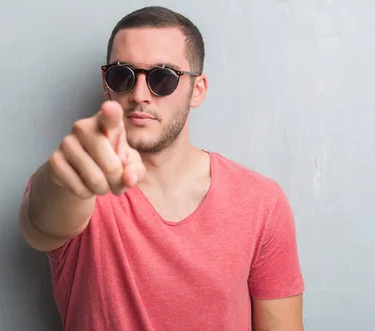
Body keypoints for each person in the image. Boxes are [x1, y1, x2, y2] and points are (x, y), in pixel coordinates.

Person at [19, 5, 305, 331]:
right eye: (122, 75)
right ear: (106, 83)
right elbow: (41, 225)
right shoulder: (80, 179)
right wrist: (63, 180)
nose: (139, 95)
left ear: (197, 90)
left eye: (162, 77)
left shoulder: (260, 202)